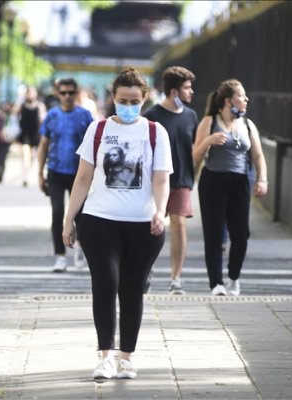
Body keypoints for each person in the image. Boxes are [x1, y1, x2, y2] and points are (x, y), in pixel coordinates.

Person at [61, 67, 172, 379]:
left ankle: (126, 357)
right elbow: (82, 178)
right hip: (99, 221)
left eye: (134, 100)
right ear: (113, 97)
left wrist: (160, 212)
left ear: (144, 99)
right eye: (123, 99)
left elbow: (161, 179)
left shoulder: (155, 132)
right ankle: (105, 356)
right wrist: (69, 219)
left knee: (132, 288)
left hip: (143, 224)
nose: (128, 105)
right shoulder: (97, 130)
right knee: (105, 283)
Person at [192, 79, 268, 296]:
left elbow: (258, 156)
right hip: (213, 181)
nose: (246, 100)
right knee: (214, 234)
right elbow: (195, 156)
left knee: (241, 234)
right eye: (241, 96)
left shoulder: (248, 125)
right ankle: (216, 283)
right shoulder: (209, 121)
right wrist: (208, 142)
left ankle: (233, 277)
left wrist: (262, 180)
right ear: (228, 101)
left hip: (240, 182)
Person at [143, 66, 198, 295]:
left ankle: (176, 278)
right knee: (151, 228)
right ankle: (146, 270)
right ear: (174, 91)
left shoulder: (191, 116)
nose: (191, 92)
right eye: (187, 88)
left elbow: (193, 149)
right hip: (154, 181)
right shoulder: (151, 117)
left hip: (182, 181)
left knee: (180, 224)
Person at [38, 77, 93, 272]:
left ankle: (80, 248)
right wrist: (39, 173)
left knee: (80, 214)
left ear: (77, 94)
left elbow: (94, 145)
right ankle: (60, 256)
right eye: (63, 93)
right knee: (57, 212)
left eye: (71, 92)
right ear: (58, 94)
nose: (67, 96)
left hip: (79, 173)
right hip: (55, 171)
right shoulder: (52, 115)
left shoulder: (85, 115)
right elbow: (43, 145)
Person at [16, 86, 46, 187]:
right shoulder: (21, 105)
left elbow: (43, 120)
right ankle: (25, 176)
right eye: (29, 93)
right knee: (25, 155)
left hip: (35, 134)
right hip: (24, 134)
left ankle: (28, 173)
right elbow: (13, 114)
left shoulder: (40, 106)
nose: (30, 95)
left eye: (32, 92)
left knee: (33, 157)